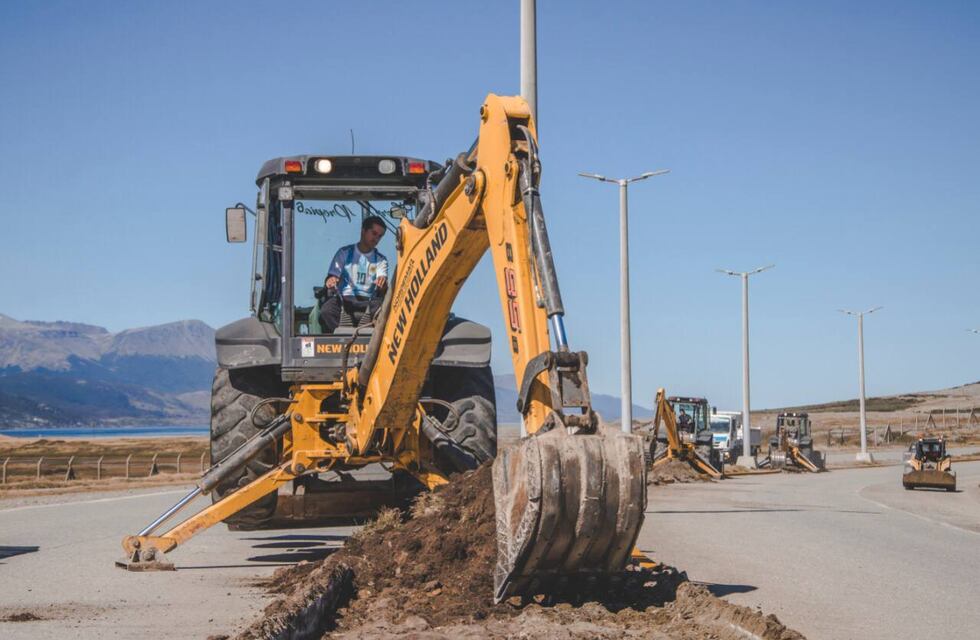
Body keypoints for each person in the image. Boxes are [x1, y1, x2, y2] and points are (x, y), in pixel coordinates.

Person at [318, 215, 389, 333]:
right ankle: (346, 338)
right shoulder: (344, 253)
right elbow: (333, 276)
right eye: (374, 233)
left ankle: (371, 342)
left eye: (379, 236)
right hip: (345, 300)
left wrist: (383, 284)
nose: (376, 239)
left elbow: (382, 280)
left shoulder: (381, 260)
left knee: (386, 312)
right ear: (363, 231)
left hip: (368, 302)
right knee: (327, 310)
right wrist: (331, 280)